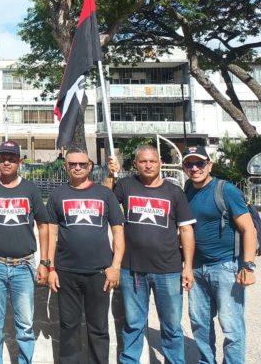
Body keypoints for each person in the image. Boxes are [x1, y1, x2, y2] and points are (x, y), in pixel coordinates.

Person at [108, 145, 196, 364]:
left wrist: (188, 267)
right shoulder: (126, 185)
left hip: (169, 270)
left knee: (172, 327)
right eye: (143, 161)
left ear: (160, 164)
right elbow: (106, 200)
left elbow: (186, 229)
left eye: (152, 161)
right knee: (134, 325)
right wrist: (111, 175)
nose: (148, 165)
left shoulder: (175, 192)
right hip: (133, 270)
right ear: (136, 164)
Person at [0, 140, 49, 364]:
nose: (7, 162)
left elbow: (43, 225)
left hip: (24, 267)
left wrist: (45, 262)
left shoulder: (30, 189)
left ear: (19, 162)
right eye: (3, 157)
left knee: (25, 325)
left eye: (12, 158)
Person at [46, 147, 124, 364]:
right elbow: (51, 234)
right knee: (68, 327)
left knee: (98, 328)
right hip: (66, 273)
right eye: (73, 164)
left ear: (90, 166)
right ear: (66, 167)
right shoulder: (57, 195)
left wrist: (115, 266)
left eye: (82, 164)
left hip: (99, 272)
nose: (77, 167)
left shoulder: (105, 194)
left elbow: (118, 231)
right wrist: (50, 268)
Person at [182, 145, 257, 364]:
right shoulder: (188, 189)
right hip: (196, 268)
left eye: (200, 163)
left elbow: (248, 229)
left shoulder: (226, 190)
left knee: (232, 327)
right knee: (200, 324)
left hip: (225, 267)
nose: (195, 168)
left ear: (209, 164)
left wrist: (249, 266)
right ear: (184, 167)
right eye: (190, 164)